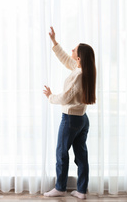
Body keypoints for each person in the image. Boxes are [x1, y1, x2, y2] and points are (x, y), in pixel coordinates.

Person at [43, 27, 96, 200]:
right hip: (82, 119)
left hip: (71, 119)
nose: (71, 50)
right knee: (81, 154)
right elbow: (66, 59)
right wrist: (54, 42)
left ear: (79, 58)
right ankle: (81, 191)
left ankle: (60, 188)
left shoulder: (79, 75)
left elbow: (66, 97)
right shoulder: (84, 70)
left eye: (75, 49)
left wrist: (50, 97)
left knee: (61, 153)